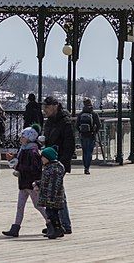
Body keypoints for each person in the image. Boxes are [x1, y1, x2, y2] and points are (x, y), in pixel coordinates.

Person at [2, 126, 46, 238]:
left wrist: (17, 167)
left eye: (23, 136)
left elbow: (34, 168)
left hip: (31, 184)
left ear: (29, 137)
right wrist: (12, 160)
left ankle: (52, 223)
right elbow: (21, 164)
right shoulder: (24, 149)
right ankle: (15, 227)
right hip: (24, 183)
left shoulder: (32, 151)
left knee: (38, 205)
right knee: (20, 206)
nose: (21, 138)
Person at [42, 96, 75, 234]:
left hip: (59, 162)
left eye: (47, 108)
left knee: (58, 193)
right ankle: (57, 223)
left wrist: (62, 163)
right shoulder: (49, 122)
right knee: (56, 192)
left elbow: (69, 145)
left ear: (55, 106)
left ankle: (64, 224)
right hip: (50, 161)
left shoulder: (65, 122)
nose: (45, 111)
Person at [36, 146, 66, 239]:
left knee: (52, 213)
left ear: (48, 158)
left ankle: (57, 229)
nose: (41, 159)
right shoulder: (48, 167)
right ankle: (58, 228)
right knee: (52, 213)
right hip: (49, 196)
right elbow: (46, 181)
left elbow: (53, 186)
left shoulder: (54, 169)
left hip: (53, 197)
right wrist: (38, 183)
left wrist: (51, 199)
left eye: (43, 157)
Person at [76, 98, 101, 174]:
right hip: (91, 135)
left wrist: (80, 131)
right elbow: (99, 124)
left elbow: (77, 125)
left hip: (83, 135)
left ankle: (85, 166)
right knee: (89, 152)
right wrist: (95, 131)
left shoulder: (80, 114)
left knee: (84, 151)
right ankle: (87, 167)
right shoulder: (94, 114)